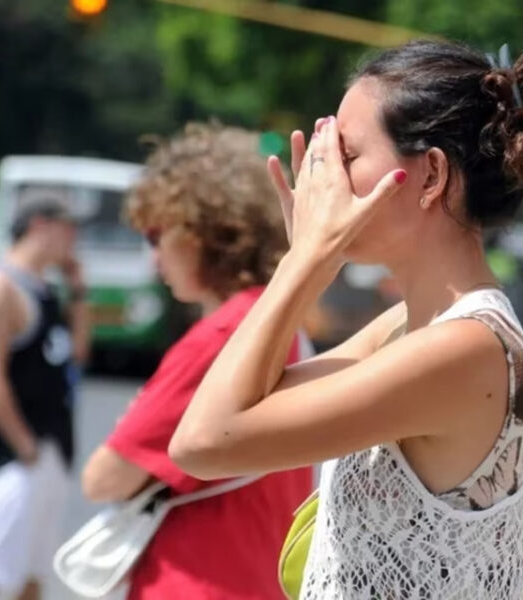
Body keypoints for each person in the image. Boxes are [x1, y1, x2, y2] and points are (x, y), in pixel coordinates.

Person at [169, 41, 523, 599]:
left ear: (432, 175)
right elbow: (249, 400)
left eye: (346, 157)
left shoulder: (466, 348)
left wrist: (305, 260)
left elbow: (204, 442)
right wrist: (309, 261)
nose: (324, 180)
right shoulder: (408, 327)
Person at [80, 123, 313, 600]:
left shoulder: (223, 335)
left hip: (194, 579)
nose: (153, 257)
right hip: (257, 575)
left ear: (197, 233)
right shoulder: (278, 319)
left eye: (155, 234)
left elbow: (103, 478)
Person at [0, 200, 89, 600]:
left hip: (52, 444)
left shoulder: (45, 288)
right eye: (68, 230)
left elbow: (77, 356)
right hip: (13, 453)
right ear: (41, 225)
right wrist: (24, 446)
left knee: (33, 576)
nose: (74, 242)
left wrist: (79, 291)